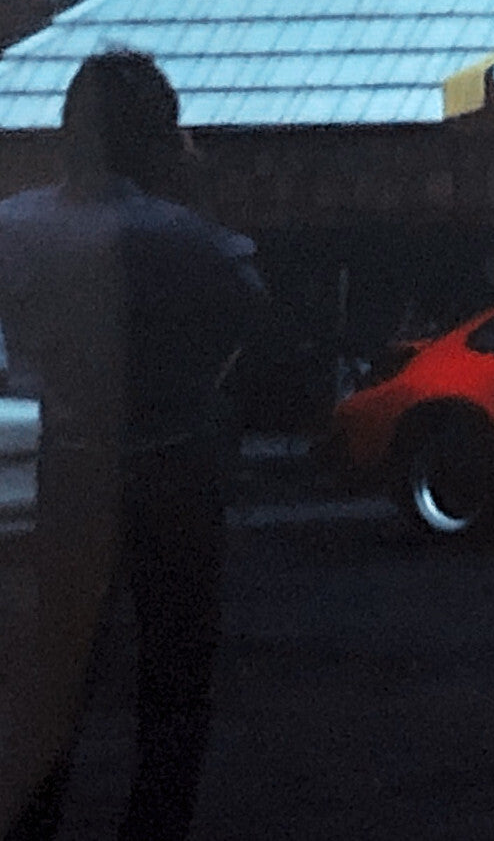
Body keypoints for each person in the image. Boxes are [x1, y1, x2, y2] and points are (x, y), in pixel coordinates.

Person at [0, 50, 267, 841]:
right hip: (173, 460)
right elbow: (248, 318)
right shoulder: (182, 236)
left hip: (71, 456)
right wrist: (195, 190)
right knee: (175, 685)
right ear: (158, 138)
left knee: (58, 672)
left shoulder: (15, 227)